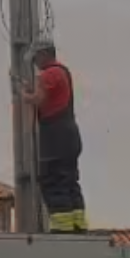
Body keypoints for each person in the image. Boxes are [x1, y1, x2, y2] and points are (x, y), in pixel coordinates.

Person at [26, 41, 87, 231]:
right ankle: (78, 224)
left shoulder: (49, 74)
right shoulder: (63, 72)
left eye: (35, 58)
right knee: (69, 180)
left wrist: (24, 95)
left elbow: (38, 100)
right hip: (69, 135)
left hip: (56, 137)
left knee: (52, 180)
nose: (35, 63)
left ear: (43, 54)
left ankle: (63, 228)